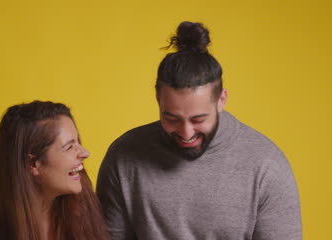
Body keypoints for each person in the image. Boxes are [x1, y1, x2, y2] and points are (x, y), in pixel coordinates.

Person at [96, 22, 302, 240]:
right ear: (158, 99)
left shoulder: (266, 166)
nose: (186, 133)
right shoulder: (124, 156)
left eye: (198, 119)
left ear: (221, 100)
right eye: (171, 118)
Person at [0, 101, 110, 240]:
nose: (85, 153)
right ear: (33, 163)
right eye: (69, 147)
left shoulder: (85, 210)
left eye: (78, 141)